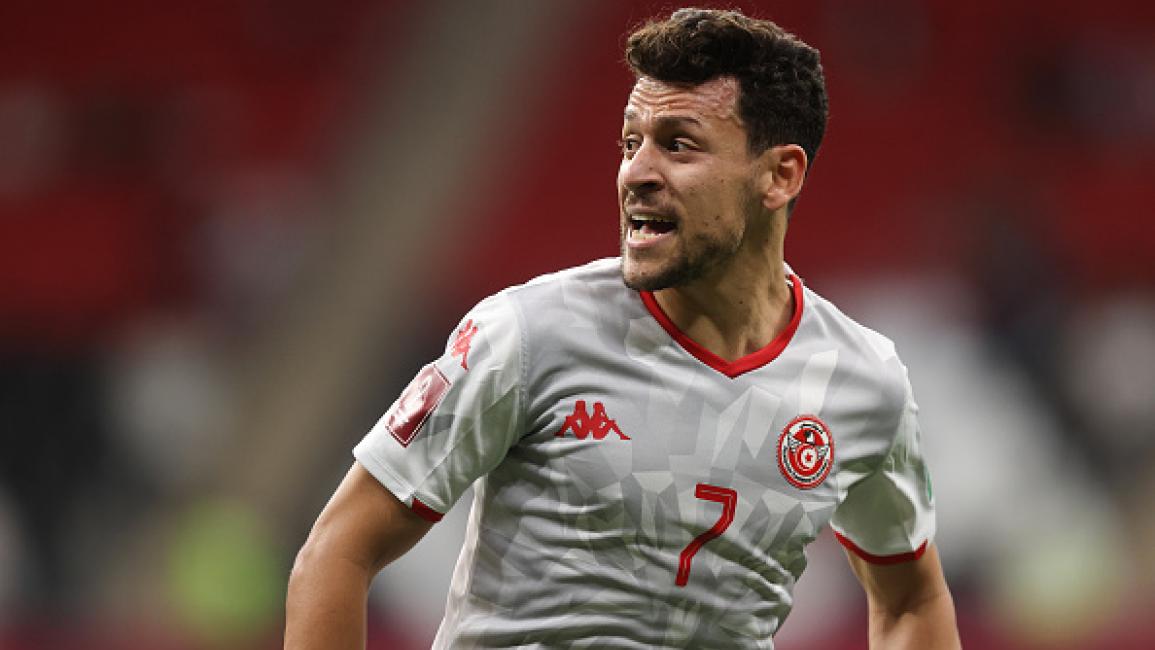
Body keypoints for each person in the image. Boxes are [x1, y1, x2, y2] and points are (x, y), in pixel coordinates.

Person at [285, 7, 960, 649]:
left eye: (679, 145)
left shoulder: (861, 384)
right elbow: (339, 548)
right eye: (630, 143)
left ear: (779, 174)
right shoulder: (529, 335)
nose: (637, 173)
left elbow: (910, 599)